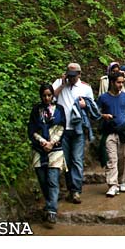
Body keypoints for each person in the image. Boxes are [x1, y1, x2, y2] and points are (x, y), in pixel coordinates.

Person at [52, 63, 95, 205]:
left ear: (79, 74)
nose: (71, 79)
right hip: (62, 129)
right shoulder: (59, 83)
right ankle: (69, 188)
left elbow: (92, 107)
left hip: (78, 128)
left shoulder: (86, 88)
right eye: (69, 75)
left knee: (77, 159)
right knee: (66, 161)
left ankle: (76, 190)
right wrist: (62, 85)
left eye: (73, 76)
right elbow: (50, 98)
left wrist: (85, 105)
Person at [97, 72, 125, 197]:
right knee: (112, 159)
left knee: (124, 158)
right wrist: (103, 116)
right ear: (111, 82)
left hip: (123, 131)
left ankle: (121, 182)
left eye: (122, 82)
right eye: (118, 82)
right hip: (110, 132)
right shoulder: (103, 98)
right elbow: (95, 113)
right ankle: (112, 185)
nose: (121, 85)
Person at [28, 84, 66, 225]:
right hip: (39, 149)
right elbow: (32, 129)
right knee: (43, 180)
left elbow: (61, 127)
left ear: (52, 95)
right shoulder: (36, 110)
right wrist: (43, 142)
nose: (47, 98)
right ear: (41, 96)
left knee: (52, 180)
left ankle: (51, 211)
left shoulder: (59, 109)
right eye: (44, 95)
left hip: (55, 149)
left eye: (49, 95)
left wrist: (52, 142)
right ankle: (50, 201)